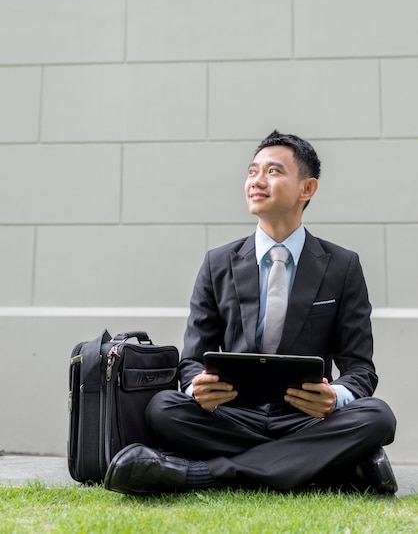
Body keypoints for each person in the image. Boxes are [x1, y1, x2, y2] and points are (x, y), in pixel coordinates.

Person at [104, 130, 397, 495]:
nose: (257, 181)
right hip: (231, 415)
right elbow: (193, 358)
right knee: (163, 407)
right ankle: (330, 467)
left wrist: (335, 396)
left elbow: (360, 370)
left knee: (378, 417)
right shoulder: (217, 263)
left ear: (307, 189)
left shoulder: (342, 266)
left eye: (273, 171)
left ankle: (202, 474)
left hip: (306, 419)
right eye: (252, 171)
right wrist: (198, 387)